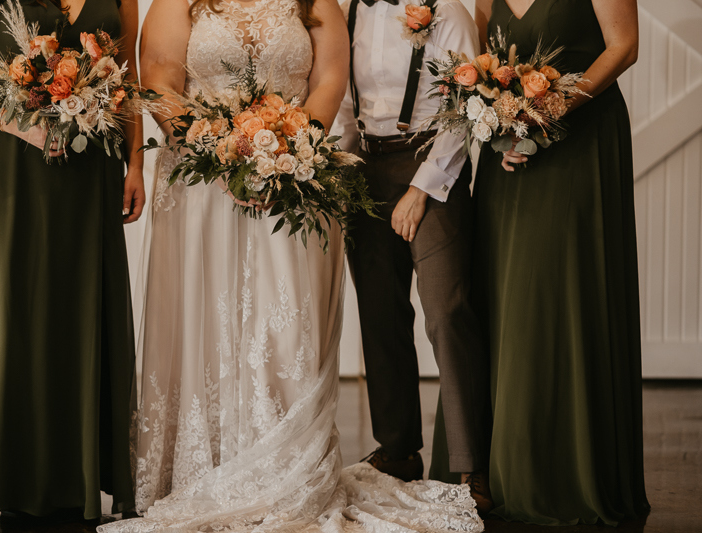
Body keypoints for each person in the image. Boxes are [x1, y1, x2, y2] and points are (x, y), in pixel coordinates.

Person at [97, 0, 484, 531]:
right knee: (206, 318)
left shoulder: (319, 0)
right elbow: (159, 78)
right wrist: (222, 149)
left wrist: (286, 150)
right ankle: (203, 462)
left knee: (289, 326)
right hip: (200, 185)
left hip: (290, 175)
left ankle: (295, 464)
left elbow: (330, 80)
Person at [0, 0, 143, 520]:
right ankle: (14, 471)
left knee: (77, 312)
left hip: (91, 170)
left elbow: (126, 76)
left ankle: (78, 472)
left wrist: (135, 163)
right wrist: (21, 125)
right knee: (14, 313)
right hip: (7, 165)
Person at [431, 0, 651, 526]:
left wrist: (549, 112)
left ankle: (562, 473)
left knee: (565, 291)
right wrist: (502, 127)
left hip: (581, 145)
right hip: (509, 159)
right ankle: (490, 470)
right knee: (506, 299)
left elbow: (624, 47)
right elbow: (484, 66)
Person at [330, 0, 493, 512]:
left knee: (447, 313)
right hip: (367, 167)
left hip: (432, 164)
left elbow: (466, 108)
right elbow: (342, 104)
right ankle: (398, 450)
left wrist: (421, 190)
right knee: (380, 315)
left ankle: (475, 464)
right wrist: (344, 172)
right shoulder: (346, 12)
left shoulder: (448, 13)